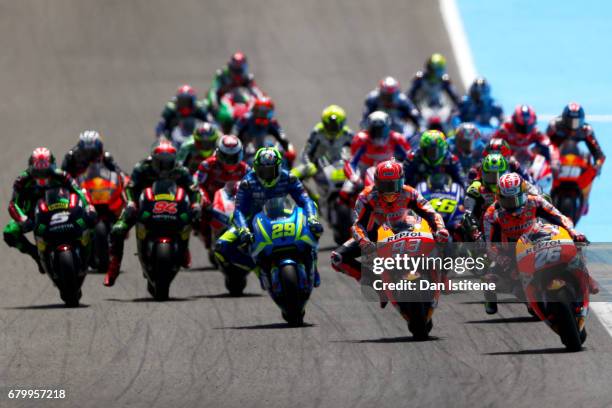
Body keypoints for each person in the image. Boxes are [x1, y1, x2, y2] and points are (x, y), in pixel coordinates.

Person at [482, 173, 597, 312]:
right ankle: (495, 301)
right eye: (507, 201)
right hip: (511, 252)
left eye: (515, 200)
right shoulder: (491, 215)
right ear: (499, 198)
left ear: (523, 194)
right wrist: (503, 259)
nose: (512, 205)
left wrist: (573, 232)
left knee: (574, 242)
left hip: (537, 239)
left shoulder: (535, 201)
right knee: (489, 279)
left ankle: (586, 278)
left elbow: (560, 217)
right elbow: (490, 246)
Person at [214, 147, 322, 283]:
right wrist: (243, 229)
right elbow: (239, 210)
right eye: (262, 171)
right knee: (221, 246)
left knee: (315, 228)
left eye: (271, 170)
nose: (267, 175)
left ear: (279, 167)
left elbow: (305, 200)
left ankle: (312, 265)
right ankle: (257, 268)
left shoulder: (289, 177)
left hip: (284, 214)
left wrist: (312, 218)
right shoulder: (247, 183)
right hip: (252, 220)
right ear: (256, 168)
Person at [331, 160, 448, 283]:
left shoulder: (410, 192)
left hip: (408, 228)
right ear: (376, 183)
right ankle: (375, 282)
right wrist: (364, 241)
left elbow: (431, 212)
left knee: (443, 237)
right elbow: (357, 225)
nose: (389, 192)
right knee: (337, 258)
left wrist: (440, 228)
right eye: (384, 186)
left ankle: (441, 275)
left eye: (393, 185)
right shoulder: (366, 196)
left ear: (401, 181)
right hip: (376, 235)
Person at [104, 141, 201, 287]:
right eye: (161, 162)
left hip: (173, 207)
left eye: (169, 162)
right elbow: (129, 187)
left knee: (197, 218)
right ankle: (114, 266)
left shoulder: (181, 170)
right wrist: (130, 202)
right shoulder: (142, 168)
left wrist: (196, 204)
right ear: (153, 159)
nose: (165, 167)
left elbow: (194, 190)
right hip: (142, 206)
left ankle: (183, 248)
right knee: (118, 230)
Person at [4, 148, 95, 273]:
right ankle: (35, 254)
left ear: (52, 166)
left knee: (91, 218)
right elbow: (13, 204)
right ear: (31, 168)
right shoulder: (22, 180)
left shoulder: (62, 175)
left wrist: (88, 207)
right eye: (38, 171)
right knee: (9, 232)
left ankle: (89, 250)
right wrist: (22, 218)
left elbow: (79, 191)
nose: (42, 176)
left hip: (62, 208)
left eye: (46, 170)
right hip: (32, 215)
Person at [196, 135, 249, 250]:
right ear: (219, 153)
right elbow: (198, 184)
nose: (229, 161)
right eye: (226, 157)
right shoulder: (207, 165)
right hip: (212, 200)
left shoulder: (245, 169)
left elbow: (252, 187)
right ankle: (207, 238)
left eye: (233, 157)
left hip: (235, 200)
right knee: (197, 211)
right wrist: (204, 199)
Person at [293, 105, 354, 178]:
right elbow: (305, 152)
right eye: (330, 126)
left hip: (341, 167)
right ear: (324, 123)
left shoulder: (348, 134)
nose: (333, 129)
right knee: (295, 174)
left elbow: (359, 152)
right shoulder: (317, 132)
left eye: (336, 126)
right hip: (319, 168)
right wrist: (308, 164)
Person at [546, 102, 606, 173]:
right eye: (570, 121)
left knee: (589, 164)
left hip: (575, 160)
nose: (573, 125)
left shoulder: (586, 130)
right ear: (564, 119)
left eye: (576, 122)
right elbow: (543, 144)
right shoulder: (554, 126)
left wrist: (597, 164)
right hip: (555, 161)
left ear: (582, 120)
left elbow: (598, 153)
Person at [234, 96, 296, 162]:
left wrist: (290, 149)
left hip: (265, 151)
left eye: (266, 113)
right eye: (260, 112)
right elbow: (235, 136)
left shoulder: (272, 122)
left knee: (287, 156)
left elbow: (282, 137)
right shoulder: (245, 119)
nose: (263, 115)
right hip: (247, 152)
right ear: (254, 111)